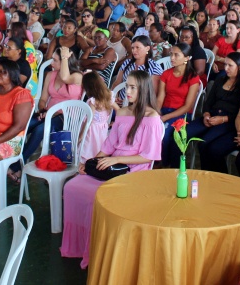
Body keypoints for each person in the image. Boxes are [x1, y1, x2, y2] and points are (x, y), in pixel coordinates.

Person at [60, 70, 163, 269]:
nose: (128, 91)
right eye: (127, 86)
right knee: (72, 186)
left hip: (134, 169)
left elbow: (149, 156)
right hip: (112, 163)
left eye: (133, 87)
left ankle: (98, 248)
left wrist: (115, 158)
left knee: (95, 195)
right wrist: (91, 162)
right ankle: (80, 246)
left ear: (144, 89)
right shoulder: (123, 112)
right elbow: (108, 145)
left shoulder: (152, 118)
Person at [0, 58, 33, 206]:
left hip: (12, 139)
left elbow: (18, 127)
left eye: (3, 72)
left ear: (12, 74)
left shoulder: (20, 94)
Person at [156, 43, 202, 167]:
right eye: (171, 54)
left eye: (177, 55)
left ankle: (164, 165)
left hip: (181, 114)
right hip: (165, 110)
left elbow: (187, 106)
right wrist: (157, 112)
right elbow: (160, 97)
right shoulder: (166, 74)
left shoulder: (193, 77)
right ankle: (152, 161)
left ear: (187, 58)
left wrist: (165, 118)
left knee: (164, 135)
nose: (172, 58)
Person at [110, 35, 162, 101]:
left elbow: (153, 92)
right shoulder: (127, 63)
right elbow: (117, 83)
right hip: (122, 100)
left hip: (142, 103)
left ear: (147, 48)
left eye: (138, 47)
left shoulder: (154, 67)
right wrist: (115, 97)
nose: (134, 50)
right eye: (132, 48)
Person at [79, 72, 115, 162]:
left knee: (87, 150)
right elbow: (119, 110)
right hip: (103, 129)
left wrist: (80, 137)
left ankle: (84, 166)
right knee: (99, 149)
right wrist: (117, 122)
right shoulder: (108, 97)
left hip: (91, 131)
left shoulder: (93, 101)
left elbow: (89, 120)